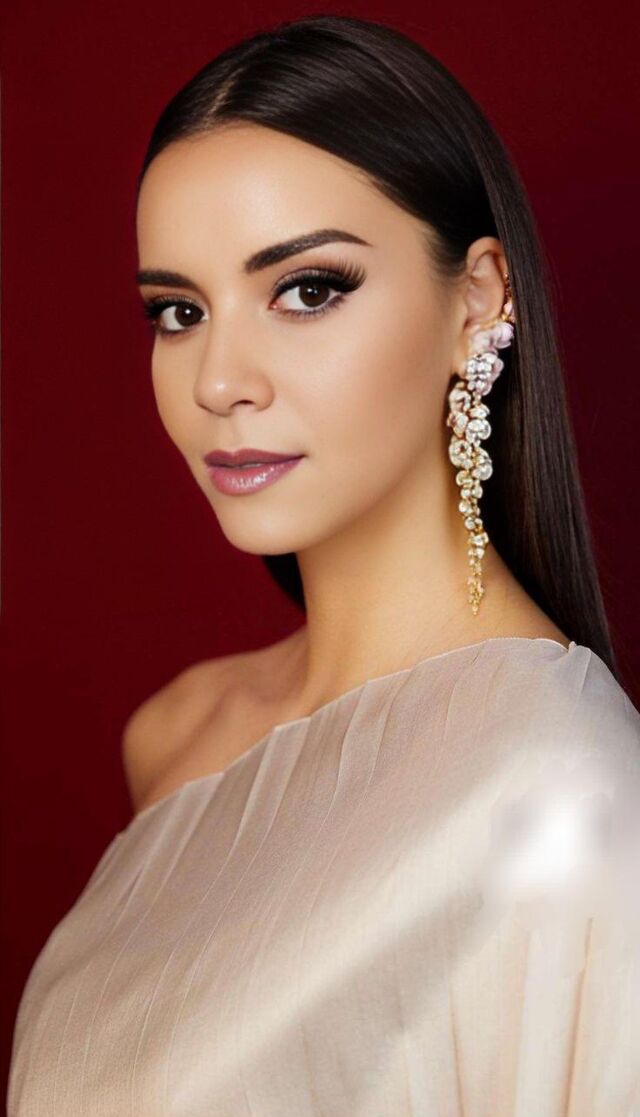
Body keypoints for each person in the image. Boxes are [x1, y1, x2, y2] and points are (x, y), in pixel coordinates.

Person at [8, 13, 640, 1116]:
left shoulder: (563, 792)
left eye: (306, 289)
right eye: (178, 311)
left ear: (478, 299)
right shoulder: (179, 734)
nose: (218, 380)